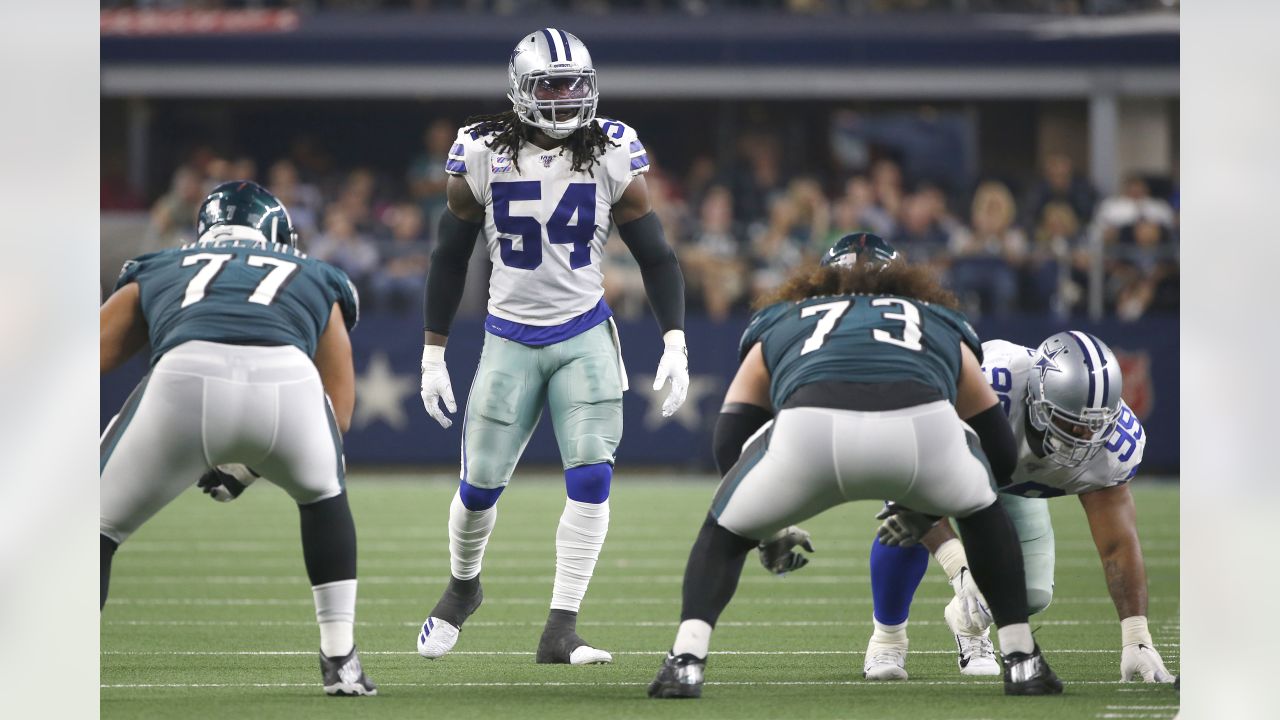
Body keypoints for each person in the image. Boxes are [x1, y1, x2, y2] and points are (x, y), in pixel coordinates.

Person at [648, 233, 1062, 699]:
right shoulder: (939, 320)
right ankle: (1022, 659)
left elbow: (730, 438)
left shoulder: (782, 318)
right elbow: (1001, 453)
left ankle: (686, 661)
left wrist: (766, 527)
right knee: (985, 509)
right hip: (922, 430)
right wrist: (933, 507)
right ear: (906, 281)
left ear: (821, 280)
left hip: (809, 433)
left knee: (722, 530)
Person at [416, 28, 689, 666]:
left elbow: (656, 254)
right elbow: (448, 257)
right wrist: (433, 351)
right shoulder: (480, 149)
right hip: (507, 337)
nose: (566, 99)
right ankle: (463, 586)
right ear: (520, 90)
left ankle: (560, 626)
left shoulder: (610, 149)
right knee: (478, 488)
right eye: (551, 86)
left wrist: (674, 339)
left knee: (592, 476)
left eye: (575, 85)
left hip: (582, 332)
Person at [99, 181, 376, 696]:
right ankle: (341, 659)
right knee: (323, 495)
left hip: (184, 378)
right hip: (289, 384)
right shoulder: (314, 272)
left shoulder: (161, 265)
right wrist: (252, 465)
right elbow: (337, 413)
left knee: (93, 529)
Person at [862, 331, 1175, 685]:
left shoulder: (1114, 444)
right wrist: (960, 569)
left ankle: (968, 621)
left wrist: (1136, 637)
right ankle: (888, 638)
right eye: (1071, 423)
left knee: (1032, 592)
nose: (1083, 438)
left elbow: (1117, 544)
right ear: (1036, 398)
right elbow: (915, 485)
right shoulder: (988, 388)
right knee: (905, 521)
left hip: (1012, 484)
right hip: (951, 457)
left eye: (1093, 426)